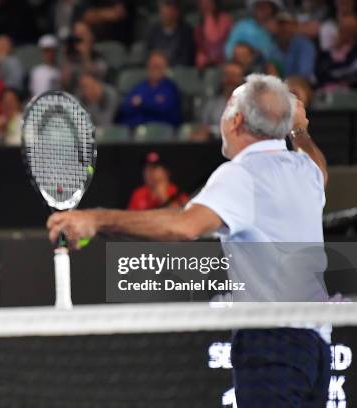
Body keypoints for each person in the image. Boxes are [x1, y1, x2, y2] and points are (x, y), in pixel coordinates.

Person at [46, 74, 330, 406]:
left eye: (226, 110)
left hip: (270, 342)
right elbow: (320, 169)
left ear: (236, 120)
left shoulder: (242, 173)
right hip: (317, 346)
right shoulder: (302, 169)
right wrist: (299, 129)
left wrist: (96, 219)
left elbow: (185, 226)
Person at [117, 51, 182, 128]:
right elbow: (125, 108)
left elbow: (164, 109)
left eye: (158, 66)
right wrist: (152, 103)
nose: (155, 69)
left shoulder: (170, 88)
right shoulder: (139, 87)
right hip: (134, 129)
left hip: (162, 131)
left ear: (165, 68)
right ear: (148, 66)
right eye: (153, 65)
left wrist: (141, 102)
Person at [191, 62, 244, 141]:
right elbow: (203, 128)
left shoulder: (249, 105)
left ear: (241, 79)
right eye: (227, 75)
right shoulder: (212, 104)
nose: (230, 80)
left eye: (234, 76)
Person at [61, 21, 108, 92]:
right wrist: (67, 57)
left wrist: (85, 55)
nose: (79, 39)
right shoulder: (72, 59)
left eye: (82, 35)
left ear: (91, 37)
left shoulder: (99, 56)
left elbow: (96, 80)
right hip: (75, 97)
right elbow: (65, 84)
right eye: (77, 36)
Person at [145, 0, 195, 66]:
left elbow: (186, 58)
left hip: (179, 72)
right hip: (158, 71)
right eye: (163, 13)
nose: (165, 16)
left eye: (168, 12)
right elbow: (148, 54)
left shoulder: (186, 32)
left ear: (176, 13)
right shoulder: (153, 31)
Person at [270, 12, 316, 79]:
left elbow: (305, 74)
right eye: (281, 24)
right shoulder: (274, 48)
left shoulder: (304, 45)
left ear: (295, 26)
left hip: (302, 86)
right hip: (280, 85)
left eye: (288, 24)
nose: (284, 28)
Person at [316, 15, 357, 90]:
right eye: (341, 28)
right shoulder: (326, 53)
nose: (343, 33)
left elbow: (348, 72)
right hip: (324, 91)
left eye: (348, 30)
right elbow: (319, 73)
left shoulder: (354, 54)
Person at [194, 0, 233, 70]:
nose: (205, 5)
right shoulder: (198, 28)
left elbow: (217, 41)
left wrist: (209, 18)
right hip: (208, 66)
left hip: (226, 62)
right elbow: (201, 50)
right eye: (202, 3)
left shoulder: (225, 19)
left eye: (208, 2)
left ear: (215, 3)